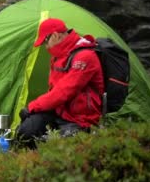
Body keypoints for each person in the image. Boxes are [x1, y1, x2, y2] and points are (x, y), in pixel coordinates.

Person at [17, 18, 104, 148]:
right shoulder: (58, 56)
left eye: (45, 42)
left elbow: (63, 92)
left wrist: (32, 107)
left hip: (80, 119)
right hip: (58, 112)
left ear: (56, 35)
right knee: (25, 133)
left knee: (58, 146)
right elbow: (53, 90)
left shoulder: (85, 56)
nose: (46, 47)